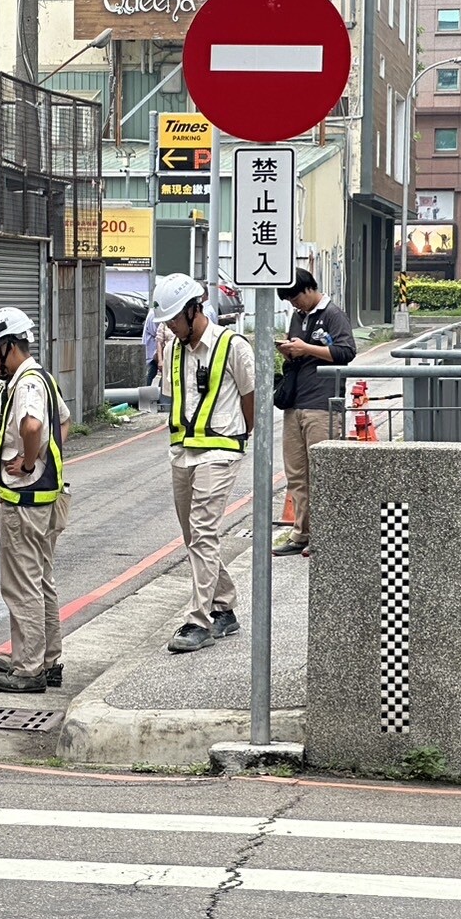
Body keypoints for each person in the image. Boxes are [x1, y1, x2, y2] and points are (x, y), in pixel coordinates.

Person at [152, 273, 254, 654]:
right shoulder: (175, 350)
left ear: (195, 310)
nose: (171, 327)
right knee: (194, 537)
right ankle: (224, 606)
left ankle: (200, 621)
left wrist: (238, 439)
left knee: (203, 531)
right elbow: (172, 397)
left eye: (175, 319)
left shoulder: (232, 346)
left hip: (220, 451)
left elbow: (251, 397)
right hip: (182, 451)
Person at [0, 307, 71, 693]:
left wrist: (30, 461)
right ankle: (44, 658)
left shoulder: (26, 385)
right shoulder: (42, 379)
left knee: (22, 585)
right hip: (46, 498)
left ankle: (30, 667)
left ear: (7, 346)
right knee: (41, 580)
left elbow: (33, 425)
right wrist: (46, 457)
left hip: (25, 502)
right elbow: (62, 421)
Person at [274, 268, 355, 558]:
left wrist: (306, 348)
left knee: (322, 473)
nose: (293, 304)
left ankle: (324, 536)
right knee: (297, 474)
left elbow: (346, 352)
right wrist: (290, 350)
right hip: (295, 402)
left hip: (322, 403)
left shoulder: (333, 314)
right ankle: (301, 534)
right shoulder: (298, 317)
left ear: (309, 289)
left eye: (294, 297)